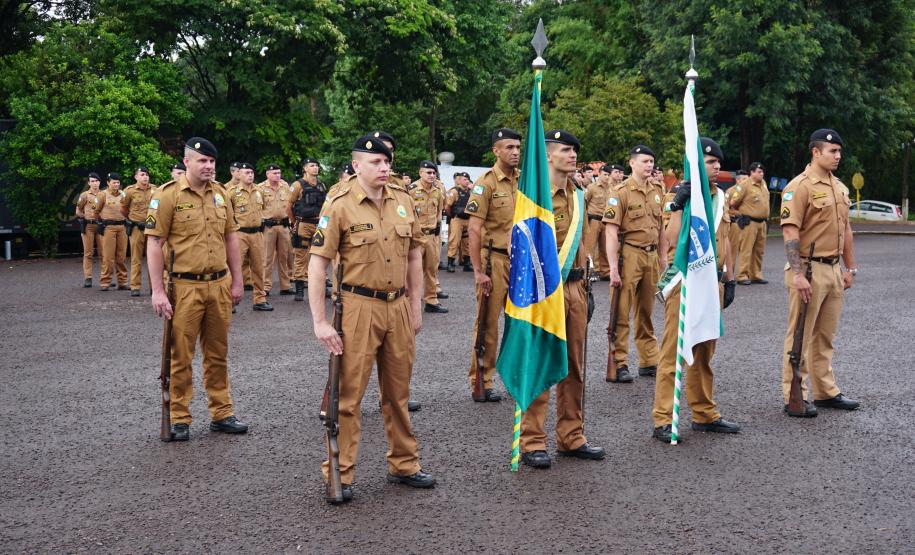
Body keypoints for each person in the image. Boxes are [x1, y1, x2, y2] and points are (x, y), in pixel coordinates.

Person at [308, 134, 435, 503]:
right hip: (357, 306)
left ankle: (404, 463)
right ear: (357, 164)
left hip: (397, 305)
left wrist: (416, 305)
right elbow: (318, 264)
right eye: (376, 162)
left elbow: (415, 256)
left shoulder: (402, 200)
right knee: (348, 396)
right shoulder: (340, 203)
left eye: (387, 162)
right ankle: (340, 472)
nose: (384, 167)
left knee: (398, 393)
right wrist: (320, 322)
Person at [146, 137, 248, 441]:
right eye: (202, 161)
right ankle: (179, 417)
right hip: (183, 287)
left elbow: (231, 238)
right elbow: (154, 243)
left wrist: (238, 280)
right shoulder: (167, 196)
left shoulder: (221, 194)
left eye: (212, 162)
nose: (208, 166)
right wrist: (157, 291)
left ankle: (222, 412)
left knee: (218, 353)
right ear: (187, 162)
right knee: (180, 356)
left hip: (218, 284)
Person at [520, 130, 605, 468]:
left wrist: (587, 286)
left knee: (574, 365)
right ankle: (532, 440)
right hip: (545, 291)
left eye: (574, 152)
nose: (573, 156)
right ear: (548, 156)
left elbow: (583, 247)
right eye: (567, 151)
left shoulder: (579, 196)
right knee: (541, 362)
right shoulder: (534, 197)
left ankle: (572, 436)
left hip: (575, 288)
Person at [651, 137, 740, 443]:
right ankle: (664, 418)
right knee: (674, 350)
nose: (716, 167)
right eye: (710, 162)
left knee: (704, 350)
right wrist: (678, 205)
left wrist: (730, 278)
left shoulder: (720, 198)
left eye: (717, 162)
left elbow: (725, 239)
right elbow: (672, 240)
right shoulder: (679, 196)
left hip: (711, 282)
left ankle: (704, 413)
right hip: (686, 282)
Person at [779, 129, 859, 417]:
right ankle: (794, 396)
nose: (838, 156)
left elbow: (846, 229)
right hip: (809, 269)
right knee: (799, 335)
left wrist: (850, 267)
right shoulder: (799, 187)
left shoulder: (839, 187)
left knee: (825, 336)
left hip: (834, 270)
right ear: (816, 152)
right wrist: (798, 274)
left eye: (839, 151)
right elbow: (790, 230)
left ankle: (826, 391)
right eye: (832, 151)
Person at [464, 128, 521, 402]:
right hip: (494, 259)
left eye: (518, 148)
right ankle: (482, 379)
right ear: (496, 151)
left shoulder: (523, 181)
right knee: (488, 322)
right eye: (509, 147)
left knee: (520, 321)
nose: (515, 152)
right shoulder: (485, 183)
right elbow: (474, 229)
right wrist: (477, 270)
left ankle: (514, 375)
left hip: (520, 261)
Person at [602, 146, 668, 382]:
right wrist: (611, 267)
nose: (649, 165)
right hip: (628, 255)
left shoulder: (658, 190)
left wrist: (663, 258)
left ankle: (649, 359)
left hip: (650, 256)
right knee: (621, 310)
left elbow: (661, 229)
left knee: (646, 310)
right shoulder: (619, 192)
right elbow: (610, 232)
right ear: (632, 164)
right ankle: (619, 362)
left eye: (651, 161)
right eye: (644, 161)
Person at [228, 162, 272, 311]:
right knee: (235, 266)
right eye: (246, 172)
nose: (250, 175)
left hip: (257, 234)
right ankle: (229, 300)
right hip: (240, 234)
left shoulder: (259, 191)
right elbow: (228, 214)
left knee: (259, 267)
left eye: (252, 173)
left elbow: (264, 208)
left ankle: (260, 299)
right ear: (239, 174)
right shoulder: (232, 192)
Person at [409, 161, 448, 313]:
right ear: (420, 173)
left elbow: (439, 212)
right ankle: (410, 301)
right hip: (416, 237)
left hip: (431, 236)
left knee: (432, 269)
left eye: (433, 173)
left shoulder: (438, 191)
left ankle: (431, 301)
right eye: (428, 173)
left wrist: (437, 232)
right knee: (412, 270)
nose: (432, 176)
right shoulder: (411, 190)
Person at [287, 157, 326, 301]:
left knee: (320, 256)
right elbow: (289, 206)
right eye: (312, 165)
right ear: (305, 168)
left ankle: (320, 287)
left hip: (319, 225)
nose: (315, 168)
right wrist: (293, 223)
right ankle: (299, 289)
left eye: (316, 165)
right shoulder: (298, 185)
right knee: (301, 257)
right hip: (303, 224)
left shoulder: (321, 185)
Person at [730, 162, 770, 285]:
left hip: (762, 223)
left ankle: (756, 274)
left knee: (759, 250)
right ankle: (742, 275)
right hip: (749, 222)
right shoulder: (744, 185)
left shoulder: (763, 184)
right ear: (751, 173)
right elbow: (733, 203)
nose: (761, 174)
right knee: (746, 250)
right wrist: (740, 214)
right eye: (759, 172)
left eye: (762, 171)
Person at [258, 164, 293, 296]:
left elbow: (291, 204)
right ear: (268, 174)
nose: (277, 175)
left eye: (279, 173)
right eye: (274, 173)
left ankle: (285, 285)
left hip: (283, 226)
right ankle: (265, 286)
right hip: (269, 226)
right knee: (267, 258)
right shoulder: (261, 188)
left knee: (284, 257)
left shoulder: (285, 186)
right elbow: (257, 207)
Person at [121, 167, 155, 296]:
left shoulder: (155, 189)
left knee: (153, 258)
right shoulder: (129, 191)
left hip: (151, 228)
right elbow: (123, 209)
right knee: (136, 258)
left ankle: (154, 287)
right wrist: (131, 219)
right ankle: (135, 286)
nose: (145, 177)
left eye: (146, 174)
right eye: (142, 174)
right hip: (136, 228)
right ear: (136, 177)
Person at [95, 173, 129, 291]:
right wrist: (101, 223)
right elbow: (96, 211)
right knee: (108, 257)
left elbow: (127, 209)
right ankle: (105, 282)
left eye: (118, 182)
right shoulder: (102, 195)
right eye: (114, 182)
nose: (116, 184)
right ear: (108, 182)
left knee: (121, 257)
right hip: (108, 227)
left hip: (122, 227)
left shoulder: (123, 194)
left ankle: (123, 282)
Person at [583, 165, 612, 280]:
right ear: (599, 174)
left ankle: (605, 272)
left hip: (606, 221)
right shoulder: (592, 187)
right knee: (589, 247)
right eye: (605, 174)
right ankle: (588, 271)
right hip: (594, 220)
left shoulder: (612, 188)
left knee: (605, 248)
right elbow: (585, 203)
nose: (607, 177)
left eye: (608, 175)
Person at [75, 172, 102, 288]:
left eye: (96, 181)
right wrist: (85, 218)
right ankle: (88, 278)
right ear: (88, 183)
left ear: (99, 182)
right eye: (92, 181)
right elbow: (78, 211)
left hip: (101, 226)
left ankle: (105, 278)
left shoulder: (104, 194)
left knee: (104, 253)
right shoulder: (84, 195)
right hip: (88, 226)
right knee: (88, 253)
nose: (94, 183)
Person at [444, 172, 472, 272]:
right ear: (459, 180)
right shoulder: (454, 191)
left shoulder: (471, 191)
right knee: (454, 241)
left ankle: (467, 263)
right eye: (465, 179)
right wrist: (452, 216)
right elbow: (447, 206)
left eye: (468, 179)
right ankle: (450, 263)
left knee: (467, 242)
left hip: (468, 219)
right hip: (457, 219)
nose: (467, 181)